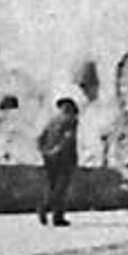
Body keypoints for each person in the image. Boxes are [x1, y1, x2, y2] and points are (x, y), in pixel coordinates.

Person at [36, 96, 79, 226]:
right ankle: (56, 215)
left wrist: (44, 151)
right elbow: (68, 138)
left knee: (51, 185)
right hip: (64, 158)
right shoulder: (71, 121)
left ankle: (44, 208)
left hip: (50, 158)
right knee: (61, 188)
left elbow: (40, 137)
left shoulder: (52, 121)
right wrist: (56, 150)